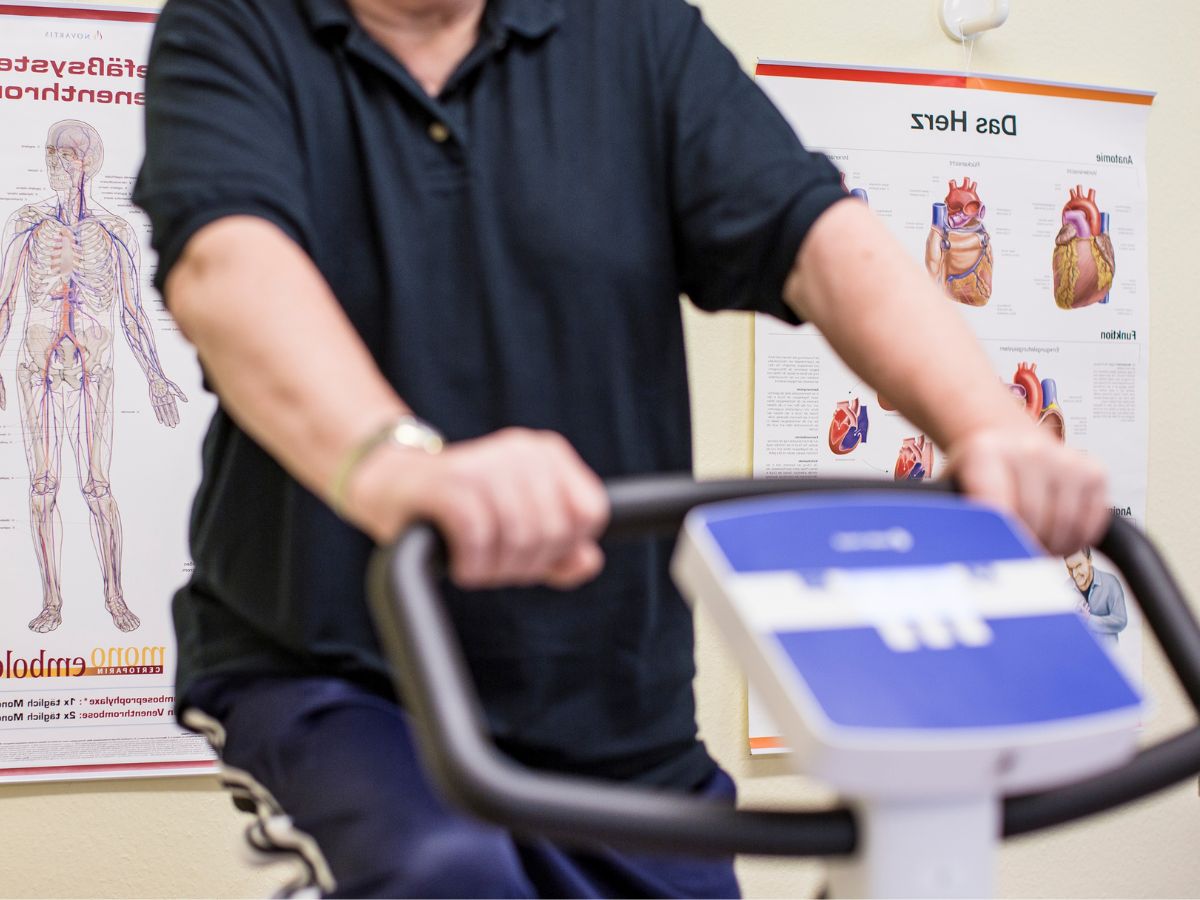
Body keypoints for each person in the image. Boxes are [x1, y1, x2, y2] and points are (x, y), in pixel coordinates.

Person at [132, 0, 1109, 896]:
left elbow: (815, 236)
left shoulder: (631, 34)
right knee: (449, 876)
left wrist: (988, 425)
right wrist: (395, 466)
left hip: (610, 699)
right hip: (345, 676)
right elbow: (228, 265)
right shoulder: (234, 30)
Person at [0, 119, 186, 635]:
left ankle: (115, 596)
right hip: (35, 366)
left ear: (90, 162)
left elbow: (132, 312)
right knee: (43, 484)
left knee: (97, 484)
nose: (56, 163)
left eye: (68, 155)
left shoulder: (114, 232)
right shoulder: (25, 223)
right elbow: (6, 299)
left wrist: (155, 376)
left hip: (95, 367)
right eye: (51, 153)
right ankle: (53, 601)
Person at [1065, 547, 1128, 646]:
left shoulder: (1110, 583)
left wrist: (1089, 619)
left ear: (1089, 560)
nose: (1074, 574)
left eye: (1078, 566)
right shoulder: (1065, 589)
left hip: (1106, 657)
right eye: (1070, 569)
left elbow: (1121, 621)